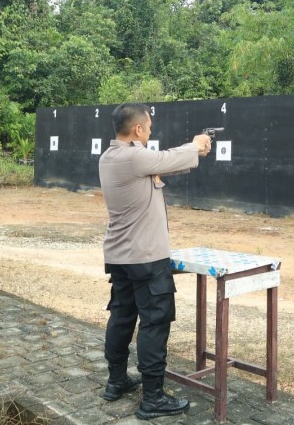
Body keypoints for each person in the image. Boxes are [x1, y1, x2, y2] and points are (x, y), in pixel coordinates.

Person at [98, 103, 211, 420]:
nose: (150, 132)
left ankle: (117, 381)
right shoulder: (134, 156)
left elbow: (161, 166)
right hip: (146, 258)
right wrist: (196, 145)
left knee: (122, 317)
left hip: (121, 257)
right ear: (136, 130)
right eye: (147, 128)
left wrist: (190, 152)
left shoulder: (110, 157)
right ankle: (152, 398)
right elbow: (168, 158)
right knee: (154, 323)